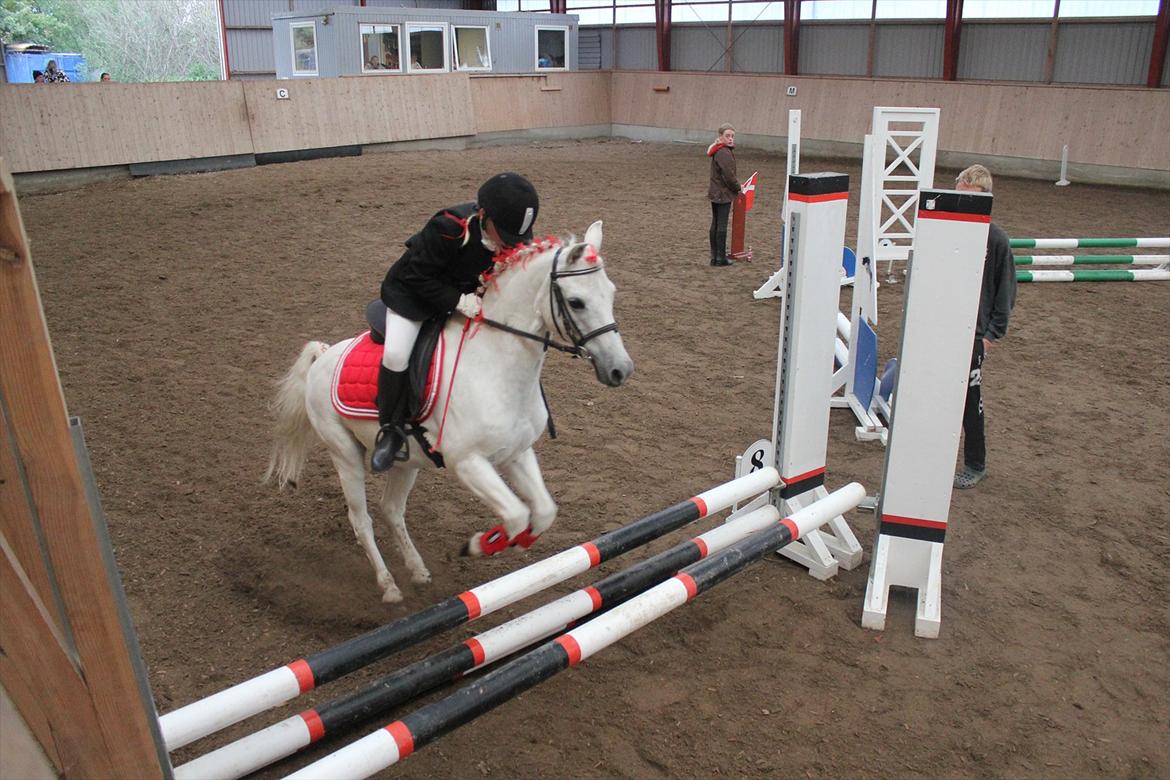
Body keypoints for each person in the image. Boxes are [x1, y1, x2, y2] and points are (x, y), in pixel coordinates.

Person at [369, 172, 540, 472]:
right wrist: (458, 301)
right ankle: (391, 431)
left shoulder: (508, 229)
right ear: (483, 215)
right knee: (396, 355)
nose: (508, 244)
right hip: (412, 296)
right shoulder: (448, 227)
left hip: (463, 297)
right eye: (504, 234)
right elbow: (416, 276)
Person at [953, 164, 1017, 489]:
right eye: (962, 197)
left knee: (970, 403)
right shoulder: (948, 233)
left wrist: (989, 339)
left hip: (974, 337)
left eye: (972, 198)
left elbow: (1005, 295)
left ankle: (975, 463)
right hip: (944, 331)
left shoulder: (997, 241)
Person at [706, 123, 742, 267]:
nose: (731, 139)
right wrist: (738, 188)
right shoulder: (724, 153)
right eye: (727, 136)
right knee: (721, 225)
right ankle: (720, 258)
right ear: (720, 137)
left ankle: (715, 257)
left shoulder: (718, 151)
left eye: (732, 136)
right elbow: (728, 176)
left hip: (716, 192)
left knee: (715, 224)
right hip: (723, 193)